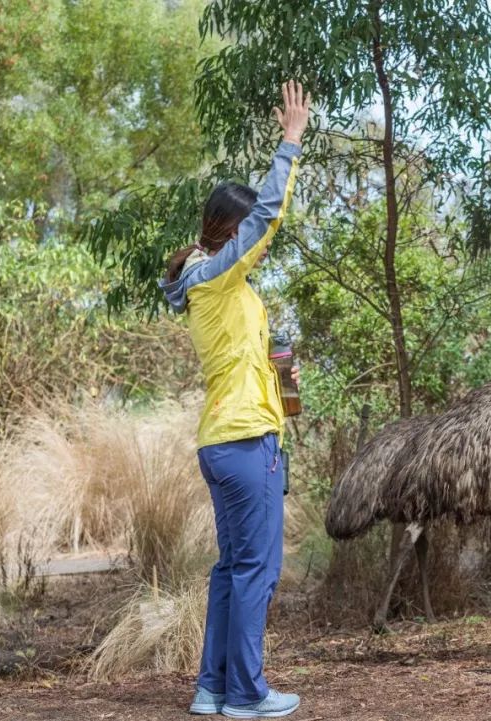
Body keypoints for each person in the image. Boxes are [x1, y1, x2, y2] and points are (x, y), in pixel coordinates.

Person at [159, 80, 311, 719]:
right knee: (257, 570)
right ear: (230, 229)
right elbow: (269, 213)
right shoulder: (216, 277)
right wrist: (291, 142)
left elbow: (242, 356)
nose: (262, 244)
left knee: (232, 569)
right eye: (250, 233)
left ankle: (213, 688)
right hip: (246, 442)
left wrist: (279, 372)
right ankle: (247, 694)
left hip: (228, 440)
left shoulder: (213, 284)